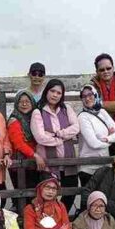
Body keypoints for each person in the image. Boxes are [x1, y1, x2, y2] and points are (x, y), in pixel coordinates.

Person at [31, 79, 81, 212]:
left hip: (68, 161)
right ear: (46, 91)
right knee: (48, 195)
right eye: (52, 91)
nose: (55, 95)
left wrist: (58, 134)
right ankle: (48, 219)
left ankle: (61, 215)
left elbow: (76, 128)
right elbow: (40, 137)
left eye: (59, 93)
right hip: (48, 163)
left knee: (70, 192)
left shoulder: (66, 109)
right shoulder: (38, 112)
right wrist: (62, 139)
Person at [76, 85, 115, 183]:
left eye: (90, 95)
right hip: (88, 167)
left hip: (105, 164)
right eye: (84, 96)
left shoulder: (102, 112)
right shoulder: (82, 117)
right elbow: (93, 144)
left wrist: (107, 139)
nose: (87, 99)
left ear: (95, 95)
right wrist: (111, 139)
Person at [6, 90, 46, 189]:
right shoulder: (14, 120)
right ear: (16, 104)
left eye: (27, 101)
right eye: (21, 102)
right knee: (24, 194)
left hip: (32, 163)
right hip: (20, 164)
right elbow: (18, 144)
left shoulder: (33, 118)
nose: (24, 104)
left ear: (32, 103)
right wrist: (35, 155)